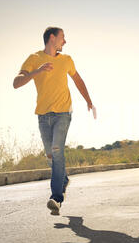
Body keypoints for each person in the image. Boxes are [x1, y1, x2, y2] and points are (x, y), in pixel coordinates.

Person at [13, 27, 94, 215]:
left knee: (57, 150)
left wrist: (88, 100)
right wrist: (37, 72)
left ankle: (56, 198)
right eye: (62, 38)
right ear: (52, 38)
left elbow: (78, 80)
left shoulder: (67, 60)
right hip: (43, 115)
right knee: (50, 155)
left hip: (63, 114)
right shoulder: (34, 58)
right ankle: (63, 179)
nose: (64, 42)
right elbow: (16, 83)